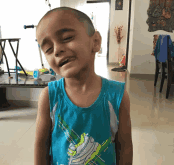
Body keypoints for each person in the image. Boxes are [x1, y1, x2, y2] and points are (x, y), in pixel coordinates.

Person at [34, 7, 133, 165]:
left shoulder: (117, 96)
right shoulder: (49, 97)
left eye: (66, 38)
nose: (57, 50)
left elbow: (125, 146)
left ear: (95, 42)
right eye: (48, 49)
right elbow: (41, 146)